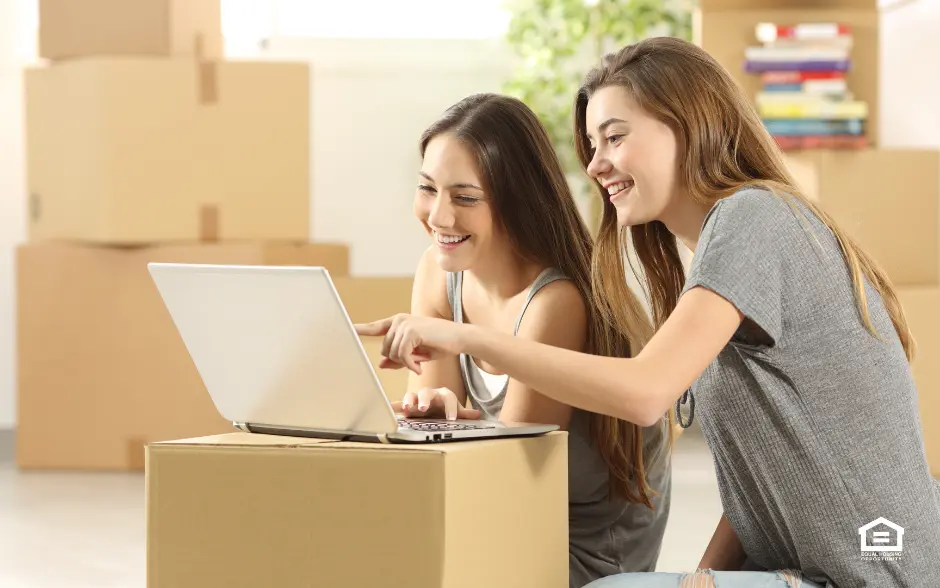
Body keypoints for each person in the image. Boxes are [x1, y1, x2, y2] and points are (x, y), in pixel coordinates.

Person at [357, 38, 940, 588]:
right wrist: (701, 576)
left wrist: (461, 337)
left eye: (614, 138)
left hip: (878, 568)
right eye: (592, 146)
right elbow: (762, 473)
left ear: (689, 125)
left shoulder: (755, 220)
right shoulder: (715, 251)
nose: (595, 165)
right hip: (810, 568)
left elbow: (644, 393)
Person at [393, 93, 673, 588]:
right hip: (501, 524)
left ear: (515, 201)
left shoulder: (556, 302)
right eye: (427, 189)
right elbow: (444, 434)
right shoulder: (438, 273)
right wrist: (432, 411)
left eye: (465, 197)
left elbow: (506, 483)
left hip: (575, 550)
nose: (438, 216)